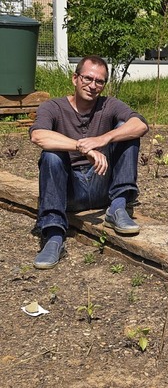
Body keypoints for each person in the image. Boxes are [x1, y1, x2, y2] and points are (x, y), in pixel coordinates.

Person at [30, 55, 149, 270]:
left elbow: (140, 124)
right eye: (87, 78)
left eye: (99, 81)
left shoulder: (109, 105)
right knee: (51, 155)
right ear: (75, 78)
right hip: (70, 191)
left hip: (102, 184)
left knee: (126, 130)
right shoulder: (53, 107)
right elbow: (38, 135)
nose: (93, 86)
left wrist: (103, 139)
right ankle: (54, 235)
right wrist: (82, 147)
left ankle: (119, 207)